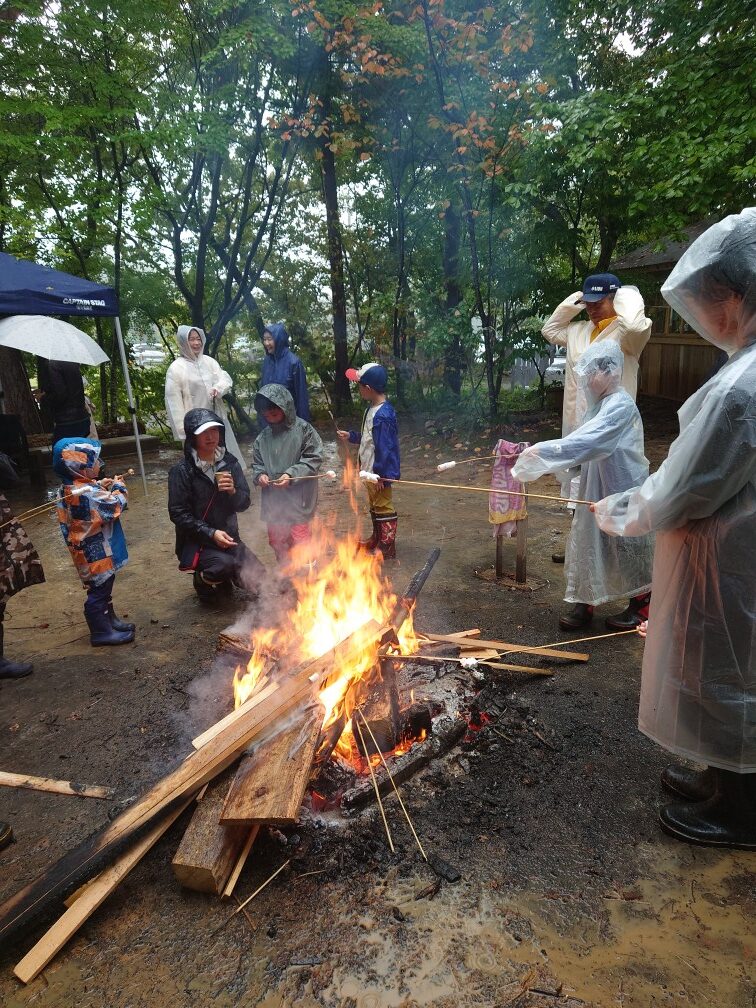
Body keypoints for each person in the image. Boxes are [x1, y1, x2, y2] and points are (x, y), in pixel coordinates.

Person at [593, 208, 756, 849]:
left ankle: (743, 812)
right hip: (732, 553)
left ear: (735, 295)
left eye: (708, 299)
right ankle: (723, 777)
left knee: (731, 671)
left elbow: (686, 488)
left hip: (731, 558)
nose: (704, 314)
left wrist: (621, 511)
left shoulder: (742, 389)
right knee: (722, 668)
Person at [512, 341, 654, 630]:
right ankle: (585, 599)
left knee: (626, 541)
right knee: (589, 538)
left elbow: (588, 442)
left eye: (592, 373)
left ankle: (643, 603)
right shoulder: (599, 405)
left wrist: (544, 452)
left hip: (621, 482)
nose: (587, 380)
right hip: (596, 483)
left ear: (610, 372)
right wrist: (555, 459)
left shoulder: (620, 405)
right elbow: (582, 444)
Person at [543, 274, 651, 563]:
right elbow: (550, 329)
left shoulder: (627, 334)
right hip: (578, 423)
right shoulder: (578, 330)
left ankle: (619, 557)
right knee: (579, 491)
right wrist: (577, 299)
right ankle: (581, 549)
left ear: (614, 300)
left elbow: (635, 324)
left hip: (612, 428)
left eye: (598, 302)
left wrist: (625, 292)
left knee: (614, 492)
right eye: (587, 303)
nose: (591, 309)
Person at [168, 408, 265, 602]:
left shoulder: (229, 462)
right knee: (223, 566)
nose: (210, 436)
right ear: (192, 436)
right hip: (199, 541)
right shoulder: (182, 471)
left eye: (214, 430)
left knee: (260, 578)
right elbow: (178, 513)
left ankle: (229, 576)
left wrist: (233, 491)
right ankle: (202, 580)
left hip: (230, 537)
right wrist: (211, 533)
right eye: (203, 432)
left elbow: (244, 503)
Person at [53, 439, 135, 647]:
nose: (99, 463)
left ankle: (109, 620)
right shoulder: (87, 494)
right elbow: (115, 505)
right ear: (81, 467)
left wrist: (98, 484)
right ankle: (101, 631)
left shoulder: (72, 488)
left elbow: (90, 497)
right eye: (95, 460)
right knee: (99, 588)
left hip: (86, 549)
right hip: (95, 551)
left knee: (103, 584)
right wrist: (119, 487)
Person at [251, 385, 323, 565]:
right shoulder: (262, 438)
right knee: (277, 539)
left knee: (301, 538)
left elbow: (313, 458)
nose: (270, 413)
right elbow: (257, 465)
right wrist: (260, 476)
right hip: (274, 502)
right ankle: (287, 572)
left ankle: (307, 575)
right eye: (266, 411)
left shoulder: (304, 430)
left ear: (285, 406)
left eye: (275, 409)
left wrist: (291, 474)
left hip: (299, 498)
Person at [337, 363, 400, 559]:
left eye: (359, 385)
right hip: (369, 470)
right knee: (375, 504)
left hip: (379, 473)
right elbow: (368, 438)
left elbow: (386, 448)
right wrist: (352, 436)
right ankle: (377, 538)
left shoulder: (384, 415)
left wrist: (382, 475)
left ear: (368, 388)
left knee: (383, 505)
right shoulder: (371, 410)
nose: (358, 389)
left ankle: (387, 547)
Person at [164, 325, 246, 466]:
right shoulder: (176, 368)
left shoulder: (209, 362)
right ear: (184, 342)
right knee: (200, 463)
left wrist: (218, 388)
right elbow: (173, 402)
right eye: (191, 339)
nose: (196, 343)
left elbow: (224, 379)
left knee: (223, 457)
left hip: (215, 419)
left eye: (198, 339)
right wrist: (183, 430)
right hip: (195, 425)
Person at [258, 323, 310, 427]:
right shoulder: (267, 361)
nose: (266, 343)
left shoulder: (294, 363)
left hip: (290, 422)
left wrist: (303, 426)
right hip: (271, 422)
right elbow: (263, 392)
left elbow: (302, 398)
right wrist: (262, 421)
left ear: (279, 339)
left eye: (269, 339)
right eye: (264, 339)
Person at [35, 358, 91, 443]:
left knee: (62, 450)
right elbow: (70, 389)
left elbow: (60, 395)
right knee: (78, 450)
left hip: (67, 422)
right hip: (82, 418)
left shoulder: (53, 364)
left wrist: (42, 398)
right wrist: (46, 392)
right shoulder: (72, 362)